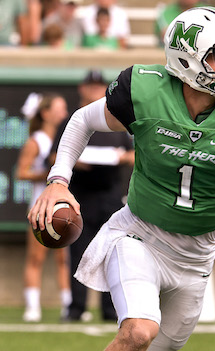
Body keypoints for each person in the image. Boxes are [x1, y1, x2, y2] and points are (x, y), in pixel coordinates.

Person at [29, 6, 215, 350]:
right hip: (140, 235)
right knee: (138, 333)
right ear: (188, 60)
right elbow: (82, 120)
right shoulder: (147, 92)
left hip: (197, 256)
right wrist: (59, 179)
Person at [51, 70, 134, 323]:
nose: (95, 89)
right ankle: (76, 308)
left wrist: (118, 158)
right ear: (82, 88)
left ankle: (110, 310)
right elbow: (55, 157)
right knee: (78, 251)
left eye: (100, 85)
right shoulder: (72, 121)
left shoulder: (118, 120)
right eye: (91, 85)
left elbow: (134, 155)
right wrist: (79, 161)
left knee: (111, 253)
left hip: (110, 193)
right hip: (81, 195)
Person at [17, 92, 71, 322]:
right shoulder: (36, 140)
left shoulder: (68, 138)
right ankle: (32, 307)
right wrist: (48, 175)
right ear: (46, 114)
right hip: (41, 204)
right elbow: (21, 172)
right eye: (59, 110)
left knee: (64, 258)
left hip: (63, 205)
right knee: (36, 257)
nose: (64, 114)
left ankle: (68, 305)